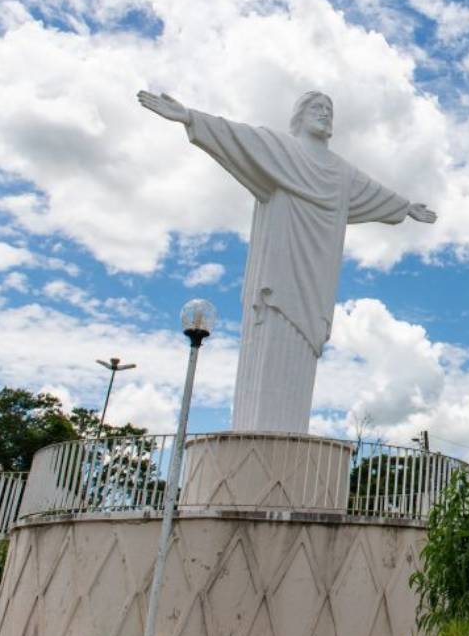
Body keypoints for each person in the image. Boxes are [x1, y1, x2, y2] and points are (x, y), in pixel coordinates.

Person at [137, 89, 437, 433]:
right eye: (317, 107)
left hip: (316, 278)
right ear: (300, 114)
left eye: (330, 109)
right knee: (271, 339)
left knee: (301, 350)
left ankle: (290, 436)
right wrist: (190, 117)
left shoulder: (341, 173)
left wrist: (406, 208)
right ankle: (255, 431)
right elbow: (237, 136)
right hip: (278, 271)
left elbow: (373, 191)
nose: (325, 114)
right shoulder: (280, 149)